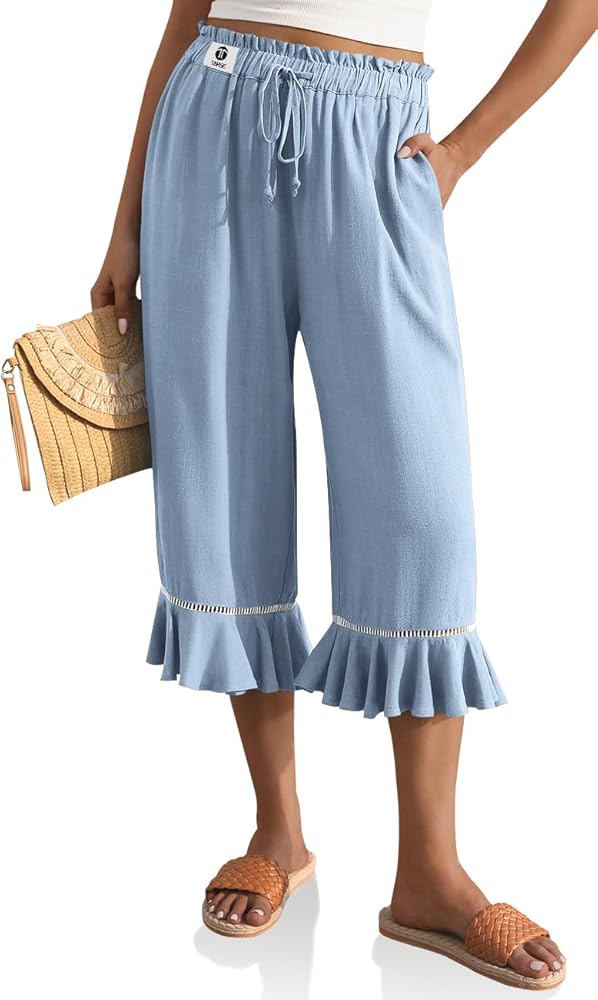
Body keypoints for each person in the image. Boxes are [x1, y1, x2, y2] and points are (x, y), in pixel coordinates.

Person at [90, 0, 595, 986]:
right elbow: (189, 13)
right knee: (224, 480)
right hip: (213, 116)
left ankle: (429, 872)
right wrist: (125, 224)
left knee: (422, 506)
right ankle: (277, 831)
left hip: (379, 144)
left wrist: (462, 152)